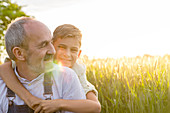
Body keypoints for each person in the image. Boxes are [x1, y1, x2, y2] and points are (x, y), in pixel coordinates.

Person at [0, 23, 101, 112]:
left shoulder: (75, 70)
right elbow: (4, 69)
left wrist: (58, 103)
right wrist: (30, 99)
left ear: (79, 54)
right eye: (61, 47)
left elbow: (95, 106)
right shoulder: (36, 60)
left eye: (73, 50)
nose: (67, 54)